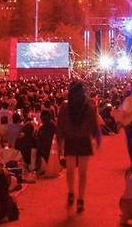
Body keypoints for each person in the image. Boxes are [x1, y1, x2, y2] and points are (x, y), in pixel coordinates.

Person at [56, 80, 100, 214]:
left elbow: (60, 125)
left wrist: (59, 143)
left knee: (70, 170)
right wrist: (96, 139)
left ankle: (71, 192)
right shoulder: (89, 107)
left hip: (70, 140)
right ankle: (80, 199)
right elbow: (94, 125)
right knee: (82, 173)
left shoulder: (65, 107)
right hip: (84, 141)